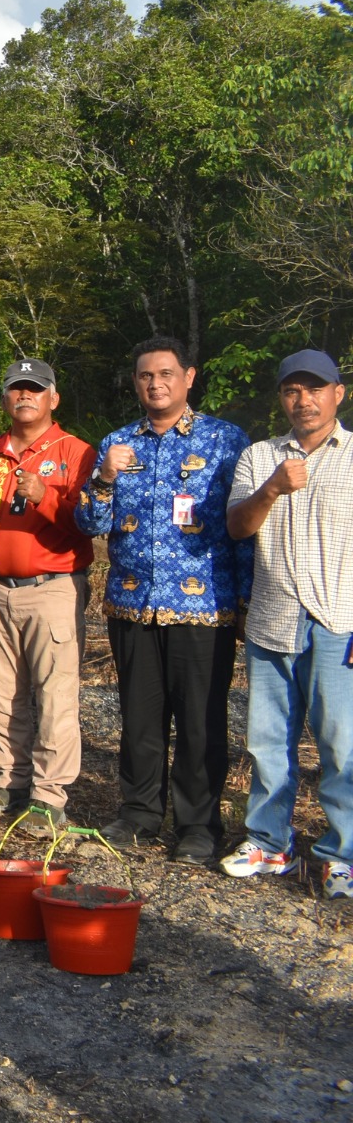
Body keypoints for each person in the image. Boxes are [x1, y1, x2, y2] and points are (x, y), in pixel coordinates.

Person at [73, 338, 249, 865]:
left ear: (189, 377)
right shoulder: (118, 443)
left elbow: (243, 529)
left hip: (202, 605)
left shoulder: (225, 441)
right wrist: (105, 475)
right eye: (146, 376)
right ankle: (139, 813)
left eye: (167, 374)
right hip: (132, 603)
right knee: (140, 720)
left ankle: (198, 825)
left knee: (200, 721)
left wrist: (244, 601)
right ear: (135, 383)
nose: (156, 384)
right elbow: (90, 524)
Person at [221, 350, 353, 898]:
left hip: (339, 621)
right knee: (268, 741)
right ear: (282, 399)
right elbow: (236, 527)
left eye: (315, 389)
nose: (304, 400)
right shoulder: (259, 456)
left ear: (337, 394)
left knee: (341, 746)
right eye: (292, 391)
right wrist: (272, 487)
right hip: (273, 619)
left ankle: (341, 854)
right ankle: (268, 843)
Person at [0, 357, 95, 836]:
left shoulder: (77, 452)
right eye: (16, 389)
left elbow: (89, 525)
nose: (25, 396)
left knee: (55, 695)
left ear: (53, 398)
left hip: (52, 589)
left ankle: (48, 795)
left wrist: (45, 494)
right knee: (0, 692)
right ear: (4, 397)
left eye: (35, 389)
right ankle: (9, 779)